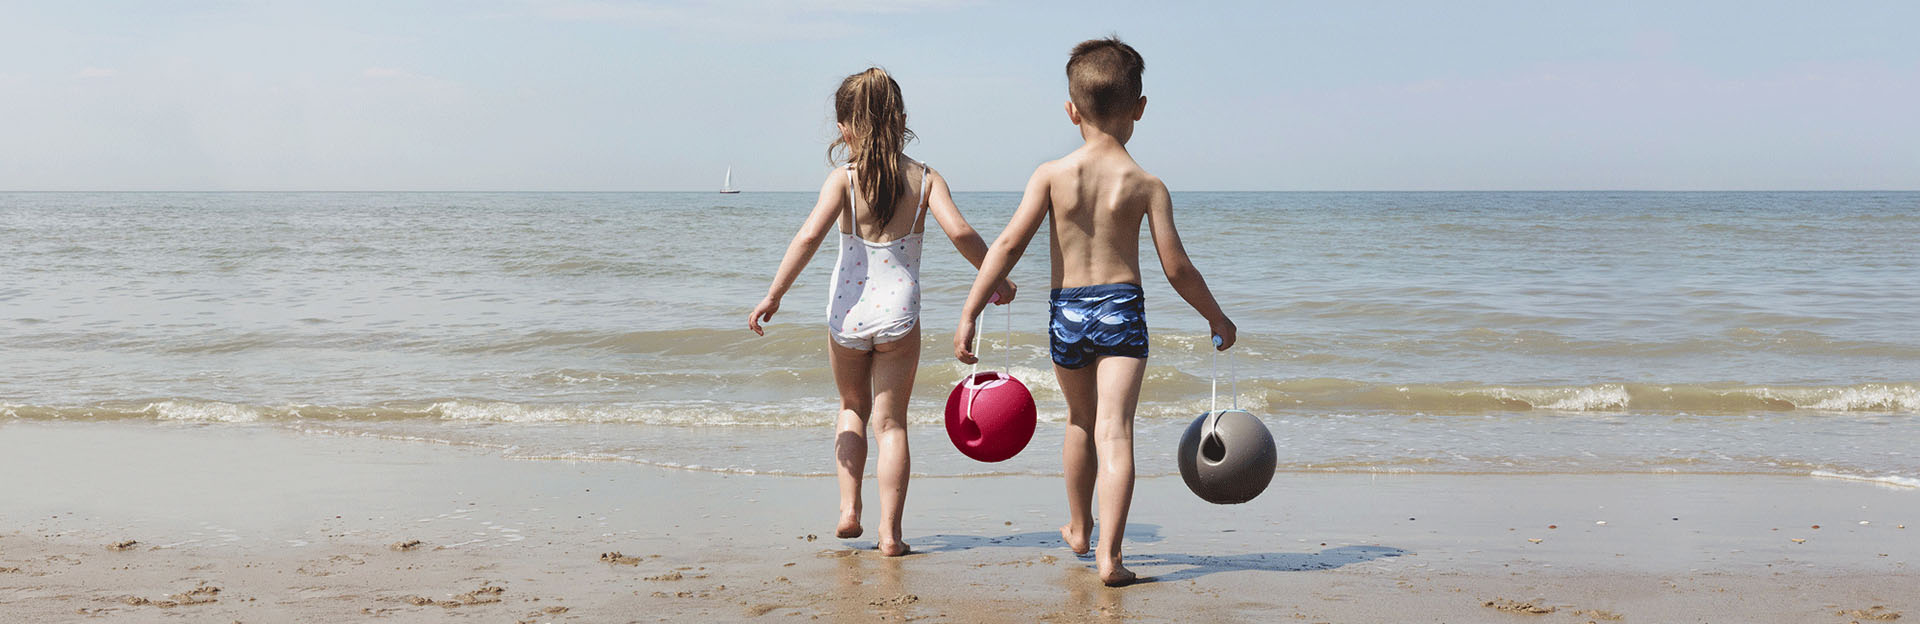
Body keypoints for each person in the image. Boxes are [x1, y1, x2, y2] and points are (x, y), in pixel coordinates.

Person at [953, 37, 1235, 585]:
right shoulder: (1147, 185)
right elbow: (1178, 268)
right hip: (1121, 309)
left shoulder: (1052, 174)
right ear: (1140, 108)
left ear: (1071, 110)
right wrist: (1216, 318)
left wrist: (971, 310)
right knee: (1116, 431)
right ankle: (1111, 557)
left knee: (1080, 422)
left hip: (1067, 312)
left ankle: (1080, 529)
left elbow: (1008, 245)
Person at [749, 67, 1015, 557]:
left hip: (847, 314)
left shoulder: (843, 180)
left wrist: (774, 294)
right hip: (900, 314)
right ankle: (890, 536)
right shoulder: (926, 179)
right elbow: (961, 234)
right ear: (902, 120)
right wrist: (995, 278)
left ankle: (850, 510)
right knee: (891, 424)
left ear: (844, 128)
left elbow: (807, 237)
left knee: (852, 408)